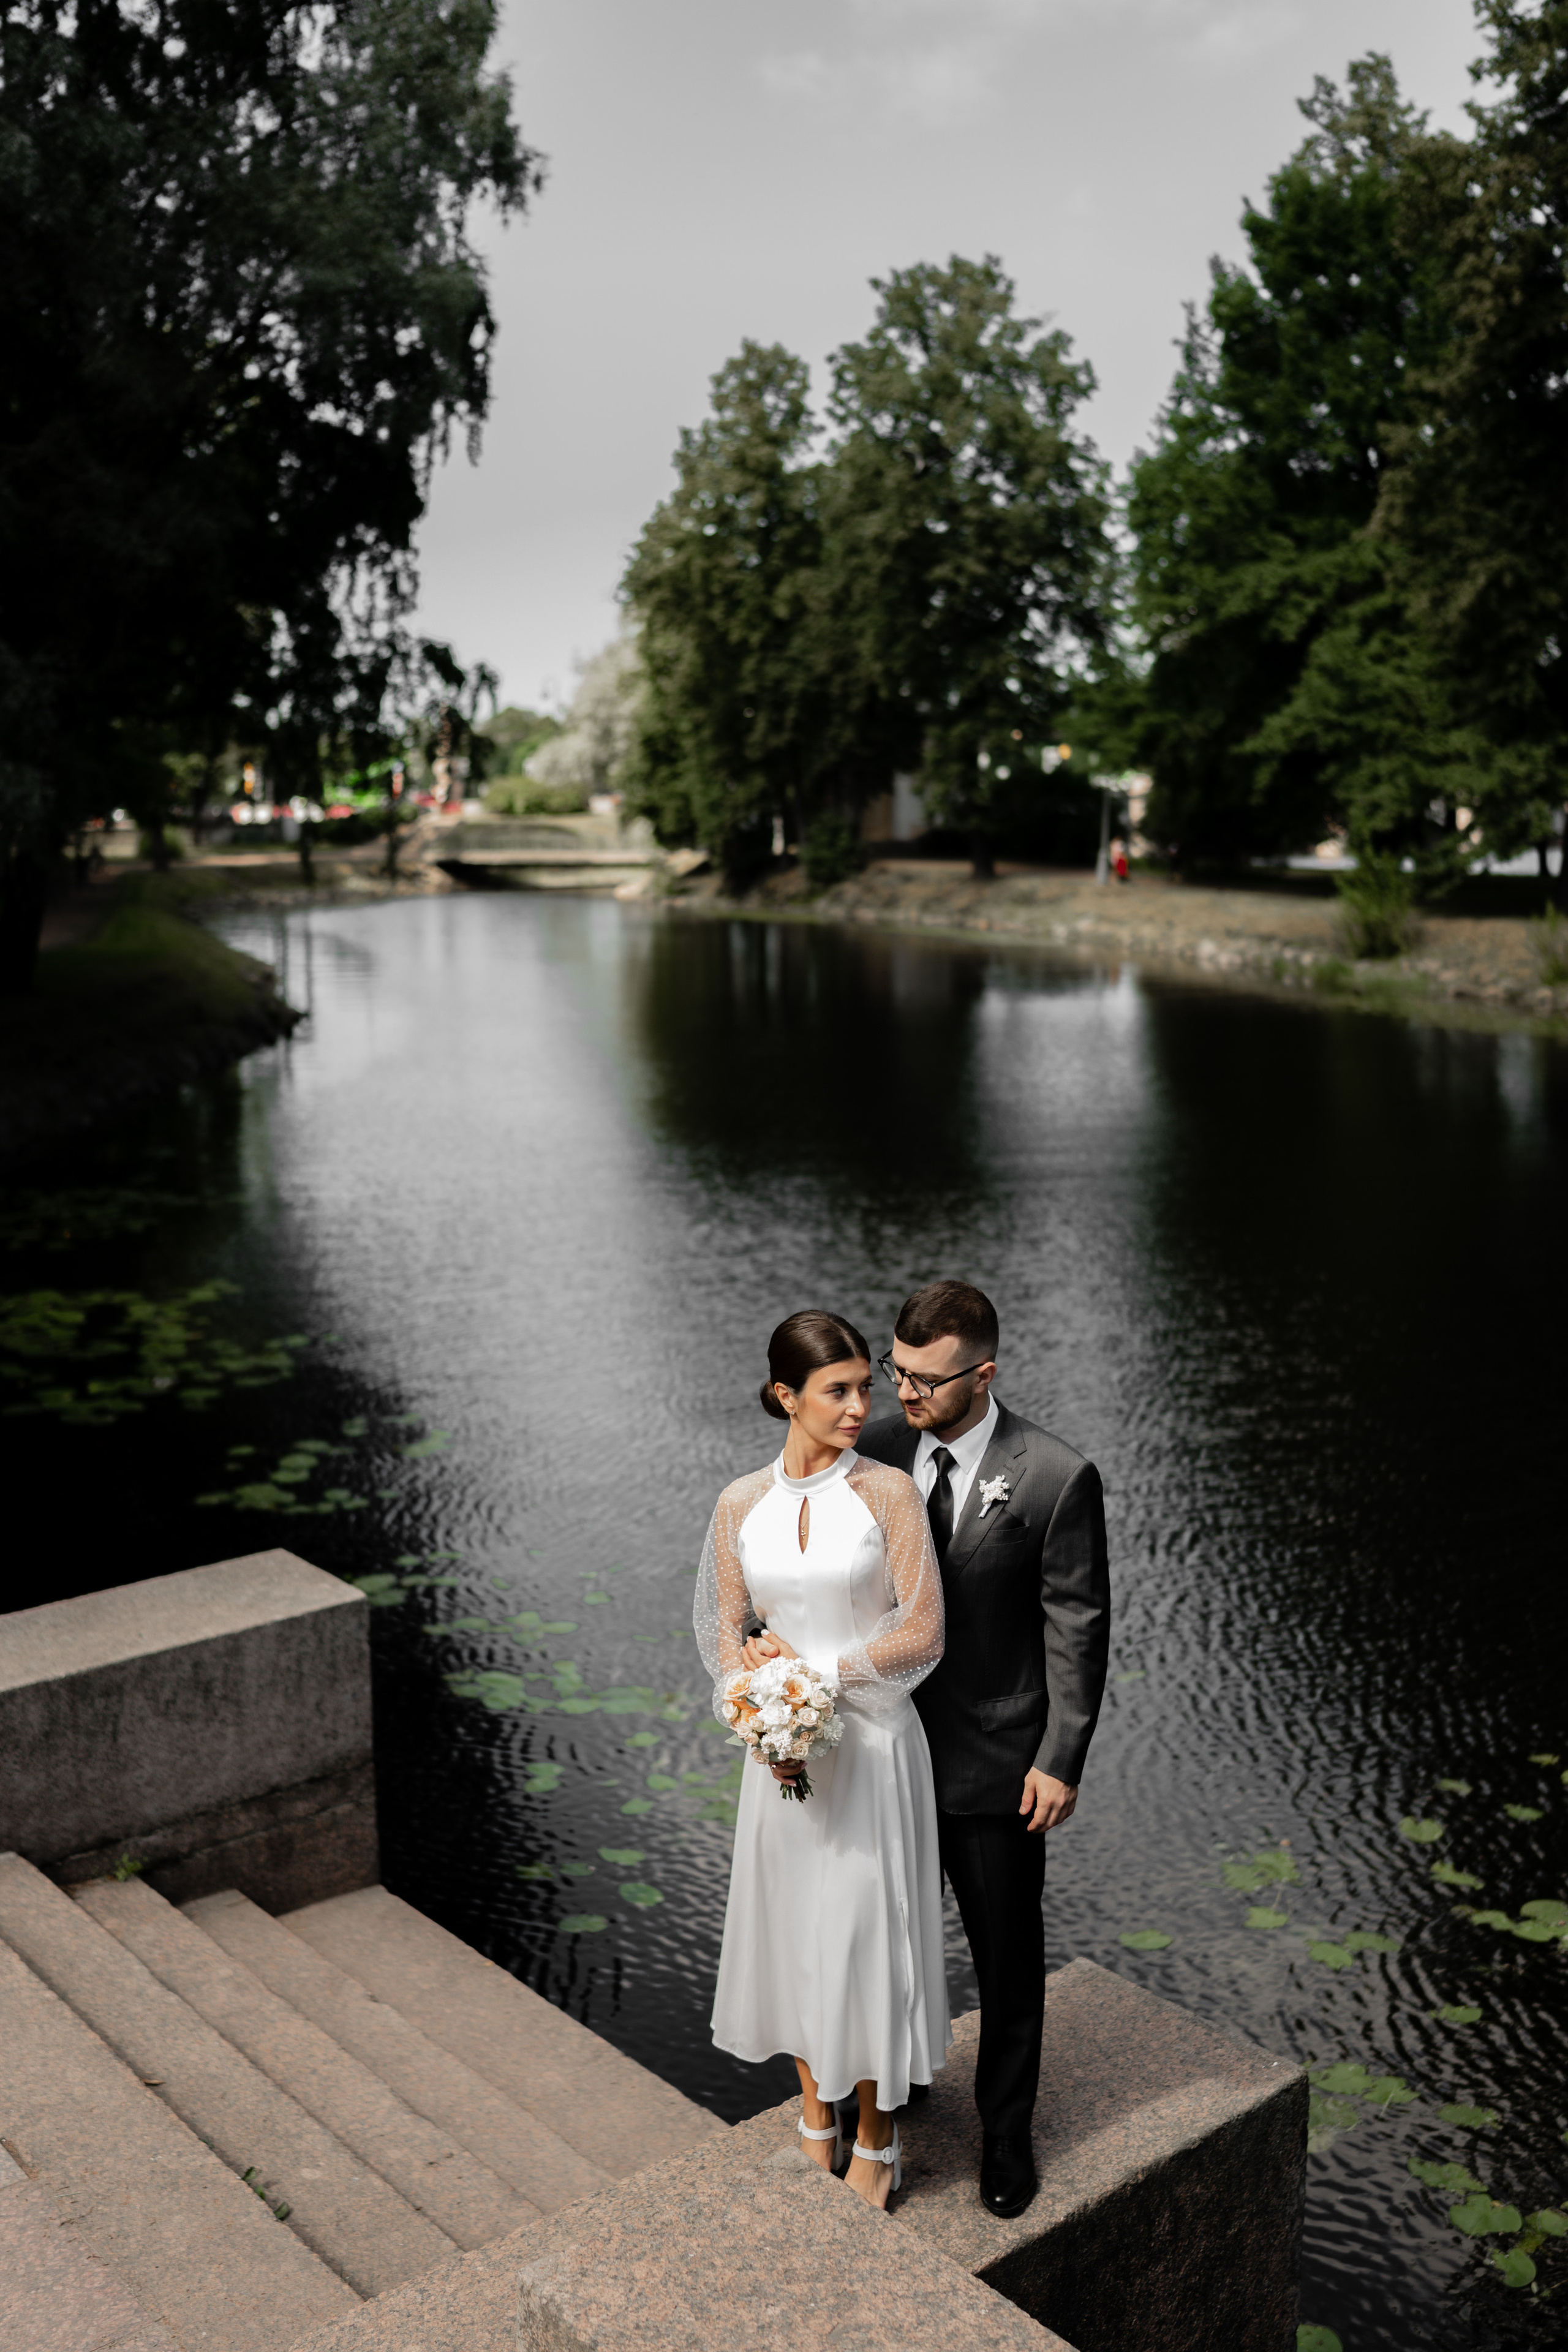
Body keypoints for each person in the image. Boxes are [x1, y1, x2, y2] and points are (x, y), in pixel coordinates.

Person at [855, 1280, 1110, 2220]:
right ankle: (903, 2085)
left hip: (998, 1763)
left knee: (1006, 1960)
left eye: (925, 1379)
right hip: (883, 1752)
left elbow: (1077, 1629)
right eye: (897, 1370)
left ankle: (1006, 2136)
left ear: (984, 1373)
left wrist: (1062, 1755)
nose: (904, 1394)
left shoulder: (1053, 1475)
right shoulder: (875, 1451)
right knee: (891, 1936)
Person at [696, 1308, 949, 2210]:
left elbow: (921, 1629)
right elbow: (725, 1632)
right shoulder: (739, 1504)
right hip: (783, 1759)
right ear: (785, 1397)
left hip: (874, 1750)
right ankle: (817, 2120)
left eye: (863, 1388)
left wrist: (812, 1677)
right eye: (836, 1391)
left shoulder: (887, 1494)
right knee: (798, 1932)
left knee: (865, 1936)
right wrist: (758, 1700)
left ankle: (879, 2136)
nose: (858, 1406)